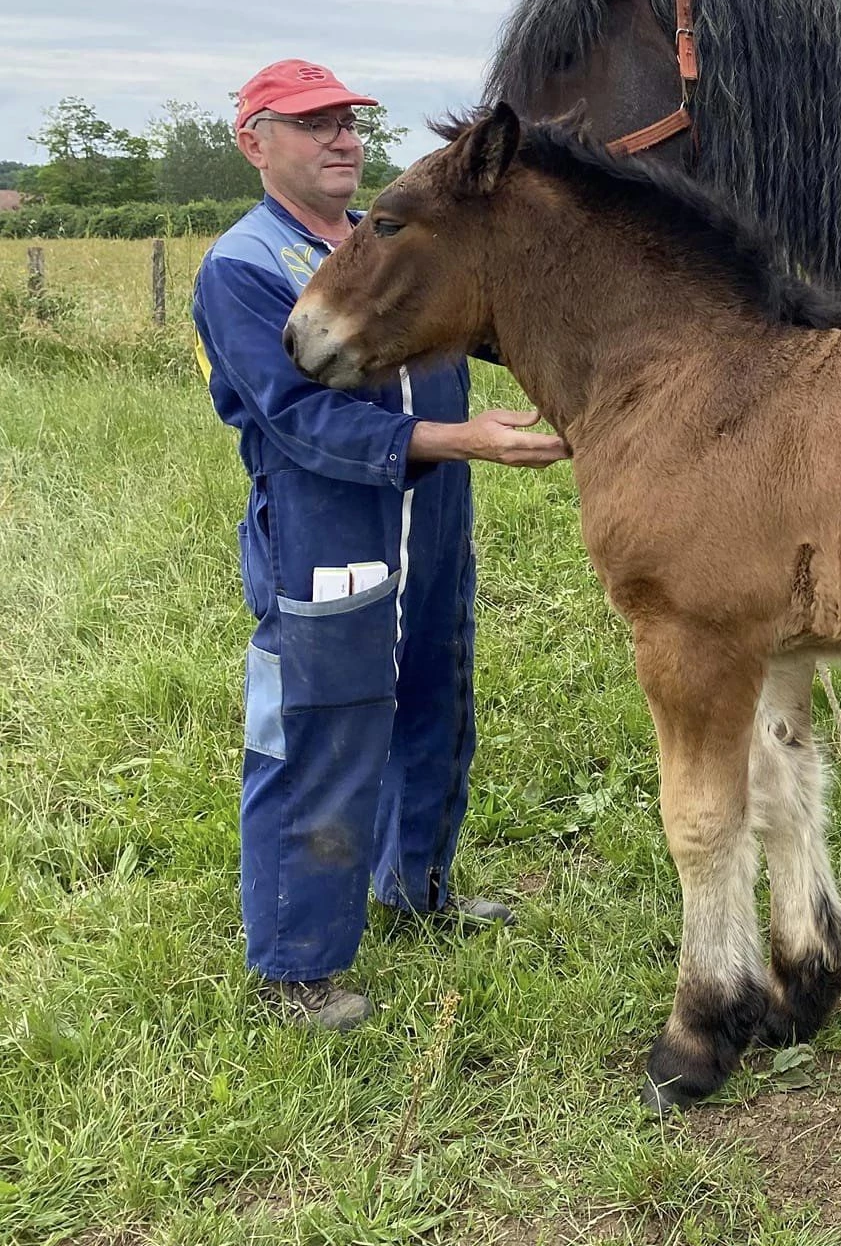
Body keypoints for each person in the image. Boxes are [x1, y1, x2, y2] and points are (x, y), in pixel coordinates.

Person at [192, 59, 569, 1030]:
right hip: (327, 526)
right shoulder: (243, 267)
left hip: (431, 517)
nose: (343, 140)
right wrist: (458, 440)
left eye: (350, 122)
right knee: (318, 732)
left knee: (437, 703)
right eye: (313, 124)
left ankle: (419, 888)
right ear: (255, 142)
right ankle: (297, 967)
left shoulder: (383, 243)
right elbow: (290, 419)